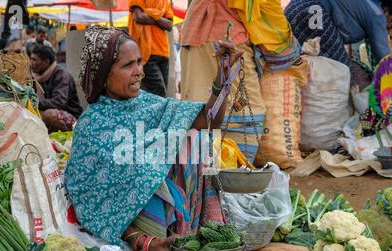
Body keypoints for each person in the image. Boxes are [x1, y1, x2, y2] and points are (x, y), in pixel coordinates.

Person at [64, 26, 242, 251]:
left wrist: (222, 80)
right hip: (134, 238)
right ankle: (158, 247)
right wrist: (148, 242)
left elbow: (206, 119)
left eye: (139, 62)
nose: (139, 72)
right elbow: (92, 205)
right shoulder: (91, 126)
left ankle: (185, 239)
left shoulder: (148, 104)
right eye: (128, 66)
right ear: (103, 75)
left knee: (191, 139)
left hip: (173, 232)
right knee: (144, 170)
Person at [180, 0, 303, 162]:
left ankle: (205, 174)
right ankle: (234, 173)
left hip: (195, 31)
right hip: (227, 41)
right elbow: (268, 20)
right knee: (248, 112)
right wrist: (292, 50)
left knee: (200, 105)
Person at [285, 0, 391, 67]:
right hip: (315, 11)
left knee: (302, 64)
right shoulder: (377, 14)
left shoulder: (366, 4)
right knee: (342, 68)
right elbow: (382, 53)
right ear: (386, 10)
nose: (387, 28)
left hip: (293, 9)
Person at [30, 45, 83, 132]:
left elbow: (59, 102)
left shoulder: (62, 75)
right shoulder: (40, 76)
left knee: (49, 115)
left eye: (34, 60)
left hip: (72, 117)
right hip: (55, 112)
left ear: (46, 61)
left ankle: (73, 135)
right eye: (31, 59)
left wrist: (34, 101)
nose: (31, 62)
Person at [128, 0, 174, 97]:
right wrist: (160, 19)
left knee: (160, 92)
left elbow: (169, 25)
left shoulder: (165, 1)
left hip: (164, 52)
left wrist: (150, 14)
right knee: (159, 92)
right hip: (146, 53)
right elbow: (139, 17)